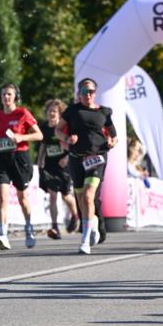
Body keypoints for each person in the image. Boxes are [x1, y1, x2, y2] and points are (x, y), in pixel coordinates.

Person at [56, 78, 117, 255]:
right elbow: (58, 130)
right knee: (82, 198)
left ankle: (85, 240)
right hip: (77, 158)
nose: (87, 95)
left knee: (89, 196)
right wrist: (66, 139)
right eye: (84, 92)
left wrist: (112, 141)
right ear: (79, 94)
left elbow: (114, 135)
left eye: (90, 92)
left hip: (97, 158)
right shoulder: (72, 111)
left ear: (95, 93)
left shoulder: (103, 112)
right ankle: (94, 223)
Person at [0, 83, 42, 251]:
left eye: (9, 94)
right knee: (3, 198)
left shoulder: (22, 113)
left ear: (15, 96)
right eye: (4, 94)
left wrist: (21, 137)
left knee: (22, 197)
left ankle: (28, 226)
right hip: (0, 157)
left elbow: (39, 135)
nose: (6, 97)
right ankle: (3, 234)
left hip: (19, 157)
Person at [38, 98, 79, 239]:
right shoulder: (44, 127)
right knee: (52, 196)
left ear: (60, 113)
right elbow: (43, 145)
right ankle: (55, 226)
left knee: (66, 195)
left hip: (64, 166)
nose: (51, 114)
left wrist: (66, 158)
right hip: (49, 166)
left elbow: (72, 145)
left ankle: (75, 215)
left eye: (54, 111)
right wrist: (40, 160)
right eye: (49, 111)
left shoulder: (64, 127)